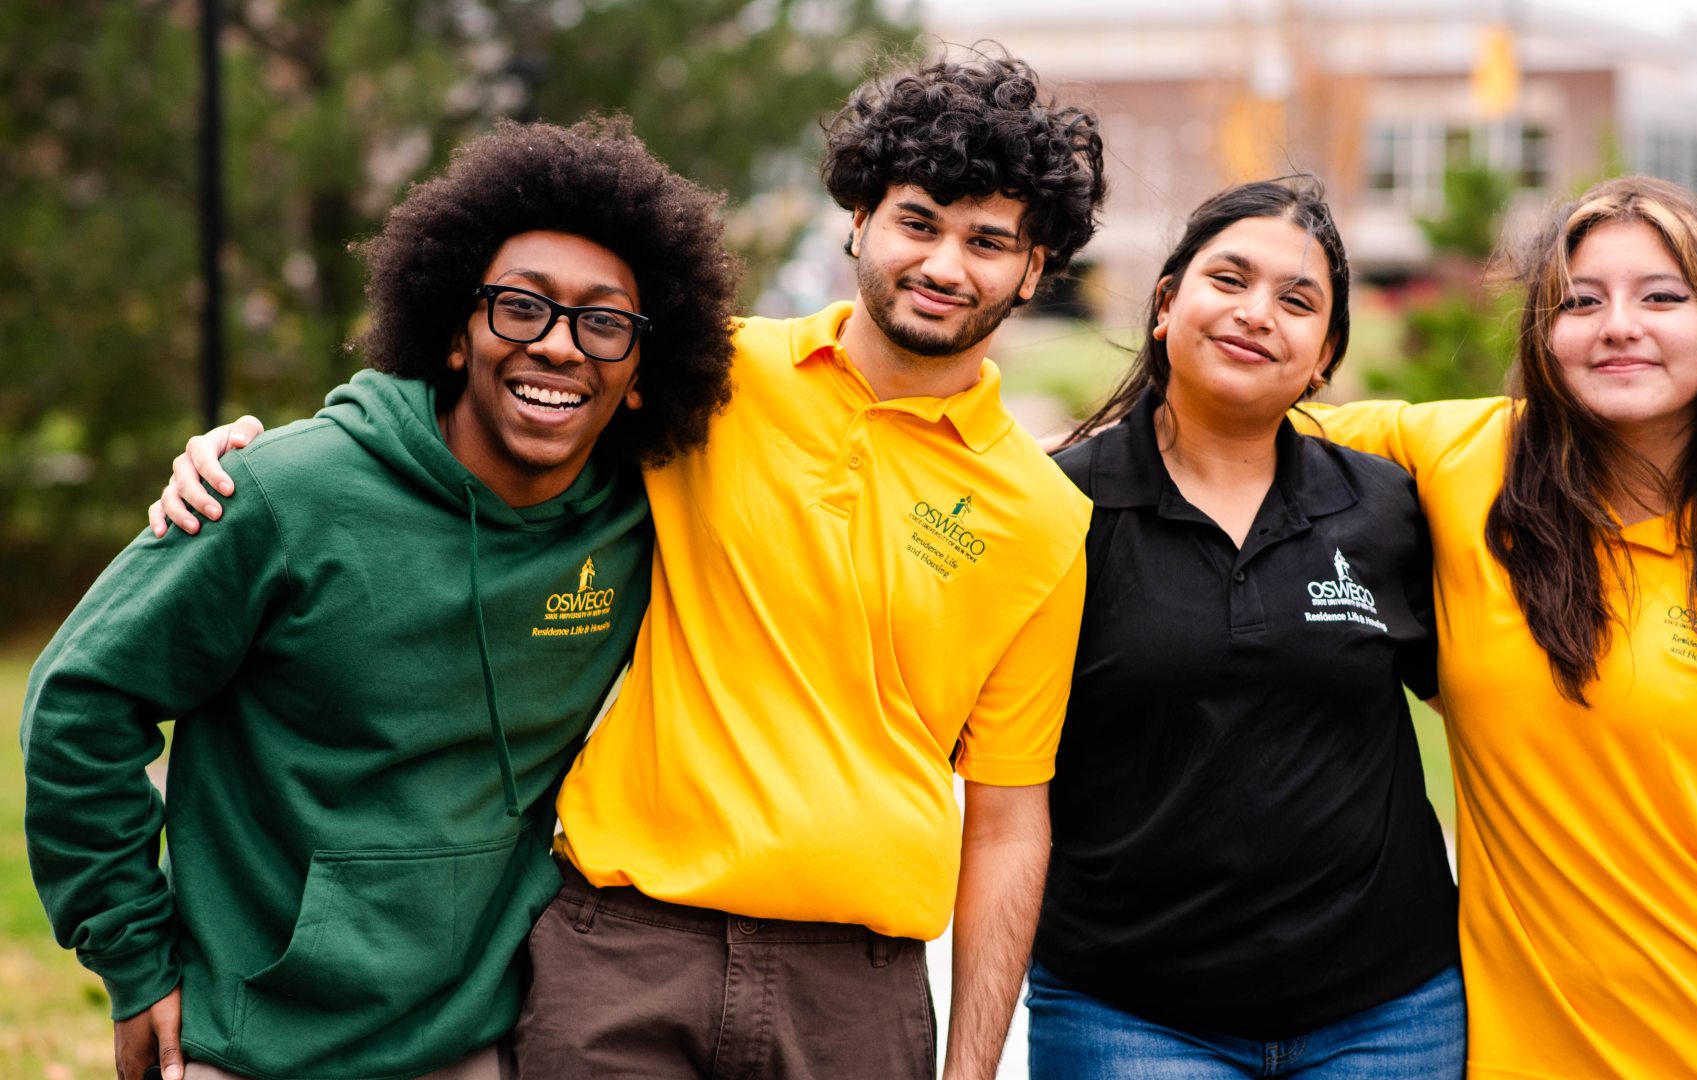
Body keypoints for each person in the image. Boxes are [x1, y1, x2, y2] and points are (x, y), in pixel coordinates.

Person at [151, 54, 1107, 1079]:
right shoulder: (707, 378)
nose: (947, 265)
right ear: (861, 218)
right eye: (920, 222)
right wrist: (270, 457)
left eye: (989, 241)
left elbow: (1008, 825)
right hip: (620, 951)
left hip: (854, 990)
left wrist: (969, 1070)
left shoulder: (1045, 516)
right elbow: (486, 402)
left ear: (1035, 268)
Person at [23, 116, 737, 1080]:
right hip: (256, 1043)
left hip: (478, 1040)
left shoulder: (640, 523)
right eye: (520, 307)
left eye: (603, 321)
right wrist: (136, 962)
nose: (560, 346)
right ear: (455, 330)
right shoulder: (282, 495)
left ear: (644, 370)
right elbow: (79, 702)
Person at [1307, 175, 1697, 1077]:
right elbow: (1247, 413)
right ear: (1545, 336)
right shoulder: (1461, 462)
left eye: (1662, 296)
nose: (1618, 324)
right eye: (1581, 301)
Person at [1033, 178, 1463, 1078]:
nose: (1256, 313)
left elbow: (1494, 708)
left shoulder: (1387, 510)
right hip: (1130, 1015)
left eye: (1297, 300)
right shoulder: (1056, 508)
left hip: (1389, 1014)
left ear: (1324, 355)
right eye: (1229, 279)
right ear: (1166, 304)